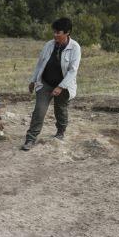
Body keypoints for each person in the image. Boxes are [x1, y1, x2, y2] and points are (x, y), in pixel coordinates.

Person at [22, 17, 81, 151]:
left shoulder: (75, 48)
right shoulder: (49, 45)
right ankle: (30, 139)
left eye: (58, 32)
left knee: (60, 109)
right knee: (39, 110)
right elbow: (40, 64)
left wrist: (61, 86)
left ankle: (60, 132)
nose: (55, 35)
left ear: (67, 33)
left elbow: (73, 71)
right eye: (54, 32)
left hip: (64, 85)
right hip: (46, 83)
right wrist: (33, 80)